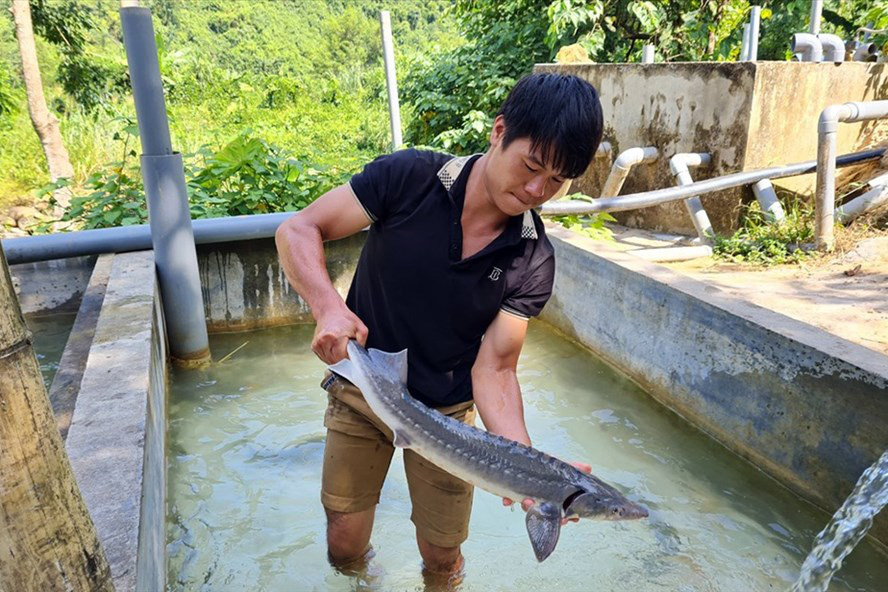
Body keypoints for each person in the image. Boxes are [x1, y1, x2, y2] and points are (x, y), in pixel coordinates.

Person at [275, 72, 604, 578]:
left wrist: (533, 470)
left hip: (447, 417)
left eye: (557, 181)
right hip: (362, 387)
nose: (537, 189)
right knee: (343, 540)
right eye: (532, 166)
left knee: (443, 556)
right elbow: (299, 228)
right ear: (499, 132)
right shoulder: (409, 177)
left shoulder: (533, 258)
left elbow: (495, 370)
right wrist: (327, 306)